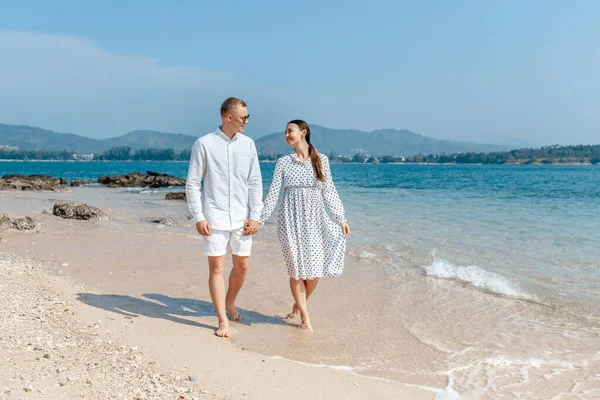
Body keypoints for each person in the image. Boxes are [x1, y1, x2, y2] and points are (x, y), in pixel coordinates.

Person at [259, 120, 350, 332]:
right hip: (289, 223)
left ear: (303, 132)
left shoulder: (321, 160)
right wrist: (259, 219)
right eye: (285, 132)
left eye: (290, 131)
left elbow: (329, 191)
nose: (286, 135)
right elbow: (273, 194)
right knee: (296, 271)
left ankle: (299, 304)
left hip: (315, 221)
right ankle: (305, 319)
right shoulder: (283, 162)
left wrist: (341, 218)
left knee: (314, 271)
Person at [185, 97, 263, 338]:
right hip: (214, 217)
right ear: (229, 117)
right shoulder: (204, 144)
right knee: (216, 267)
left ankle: (231, 302)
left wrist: (256, 216)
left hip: (242, 219)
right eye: (244, 117)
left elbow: (254, 182)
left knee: (242, 266)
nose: (247, 121)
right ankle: (221, 319)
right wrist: (198, 216)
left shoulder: (248, 145)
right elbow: (192, 182)